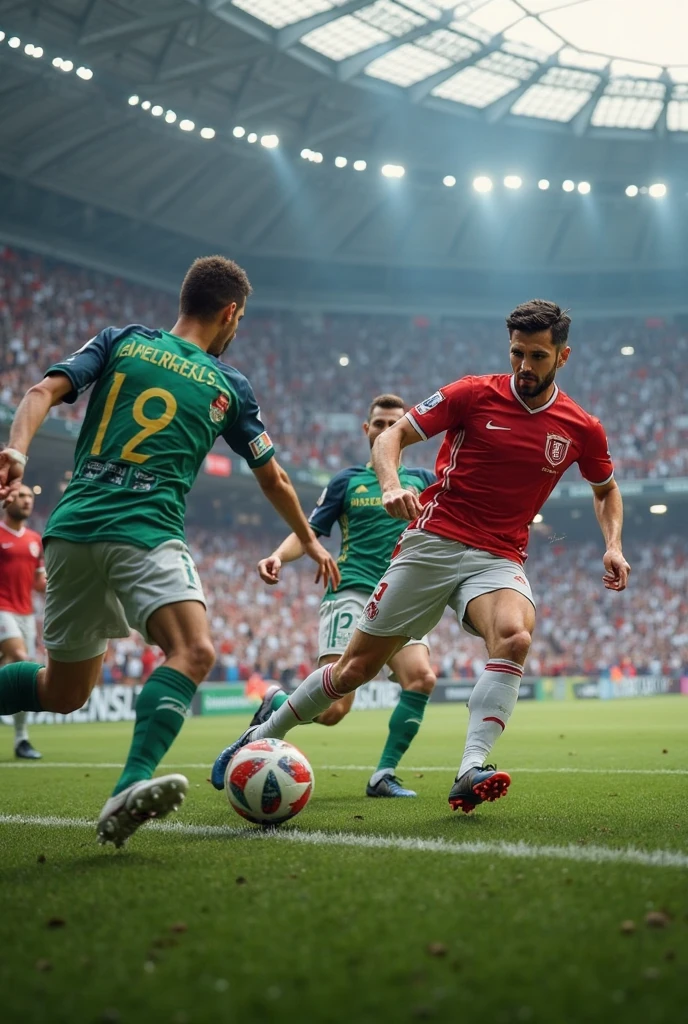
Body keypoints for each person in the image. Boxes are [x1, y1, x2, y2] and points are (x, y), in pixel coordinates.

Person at [212, 300, 631, 813]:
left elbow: (606, 490)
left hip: (498, 555)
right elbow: (393, 436)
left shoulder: (581, 427)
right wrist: (390, 484)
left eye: (538, 356)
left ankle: (470, 768)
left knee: (515, 636)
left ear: (563, 356)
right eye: (517, 353)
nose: (524, 366)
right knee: (351, 673)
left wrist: (613, 545)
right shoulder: (472, 393)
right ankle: (258, 736)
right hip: (433, 542)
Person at [0, 255, 338, 847]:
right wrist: (308, 539)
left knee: (63, 691)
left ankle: (128, 784)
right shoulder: (228, 383)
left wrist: (18, 452)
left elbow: (41, 390)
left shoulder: (122, 340)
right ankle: (128, 786)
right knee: (194, 651)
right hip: (145, 528)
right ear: (230, 313)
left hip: (71, 529)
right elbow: (274, 479)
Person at [212, 395, 437, 798]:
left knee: (421, 678)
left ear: (408, 433)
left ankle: (382, 775)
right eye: (379, 423)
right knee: (332, 710)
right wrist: (279, 556)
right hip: (350, 591)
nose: (386, 430)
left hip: (401, 596)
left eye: (394, 424)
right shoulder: (347, 481)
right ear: (366, 430)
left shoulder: (423, 480)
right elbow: (311, 533)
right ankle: (277, 702)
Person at [0, 484, 46, 759]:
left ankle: (21, 740)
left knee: (20, 670)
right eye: (21, 495)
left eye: (30, 496)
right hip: (1, 607)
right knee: (19, 657)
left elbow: (39, 582)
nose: (27, 500)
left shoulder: (34, 539)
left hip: (25, 613)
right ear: (7, 501)